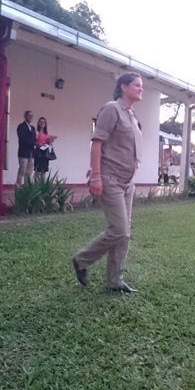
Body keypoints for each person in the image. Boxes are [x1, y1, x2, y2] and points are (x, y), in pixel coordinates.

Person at [72, 72, 143, 293]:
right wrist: (96, 175)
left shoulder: (132, 115)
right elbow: (97, 143)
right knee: (119, 229)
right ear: (123, 87)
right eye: (137, 85)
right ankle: (81, 259)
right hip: (110, 179)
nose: (141, 89)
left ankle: (115, 281)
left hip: (128, 182)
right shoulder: (112, 109)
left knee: (124, 234)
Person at [16, 110, 37, 185]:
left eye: (32, 115)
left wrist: (43, 141)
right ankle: (18, 186)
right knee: (22, 170)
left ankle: (26, 187)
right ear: (25, 117)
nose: (30, 117)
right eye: (29, 115)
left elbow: (35, 139)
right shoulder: (21, 126)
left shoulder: (33, 128)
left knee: (29, 171)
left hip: (31, 152)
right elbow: (23, 139)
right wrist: (34, 143)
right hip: (24, 152)